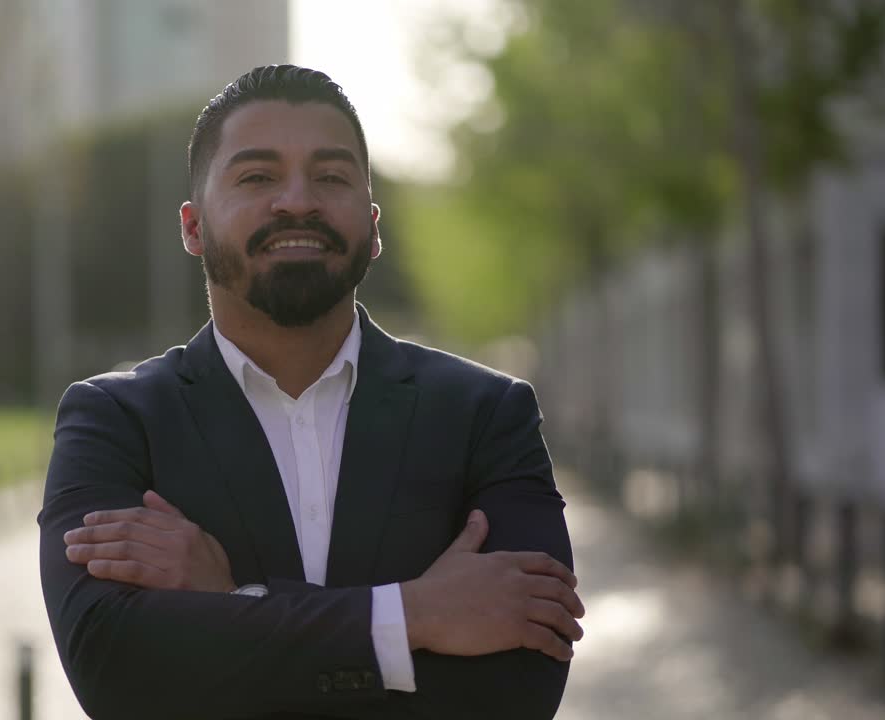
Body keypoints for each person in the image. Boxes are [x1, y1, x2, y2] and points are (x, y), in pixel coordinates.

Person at [38, 64, 584, 720]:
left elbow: (517, 686)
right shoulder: (114, 421)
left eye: (330, 176)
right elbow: (115, 670)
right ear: (192, 226)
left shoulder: (487, 415)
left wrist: (232, 604)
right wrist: (413, 616)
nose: (297, 201)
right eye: (257, 176)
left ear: (374, 226)